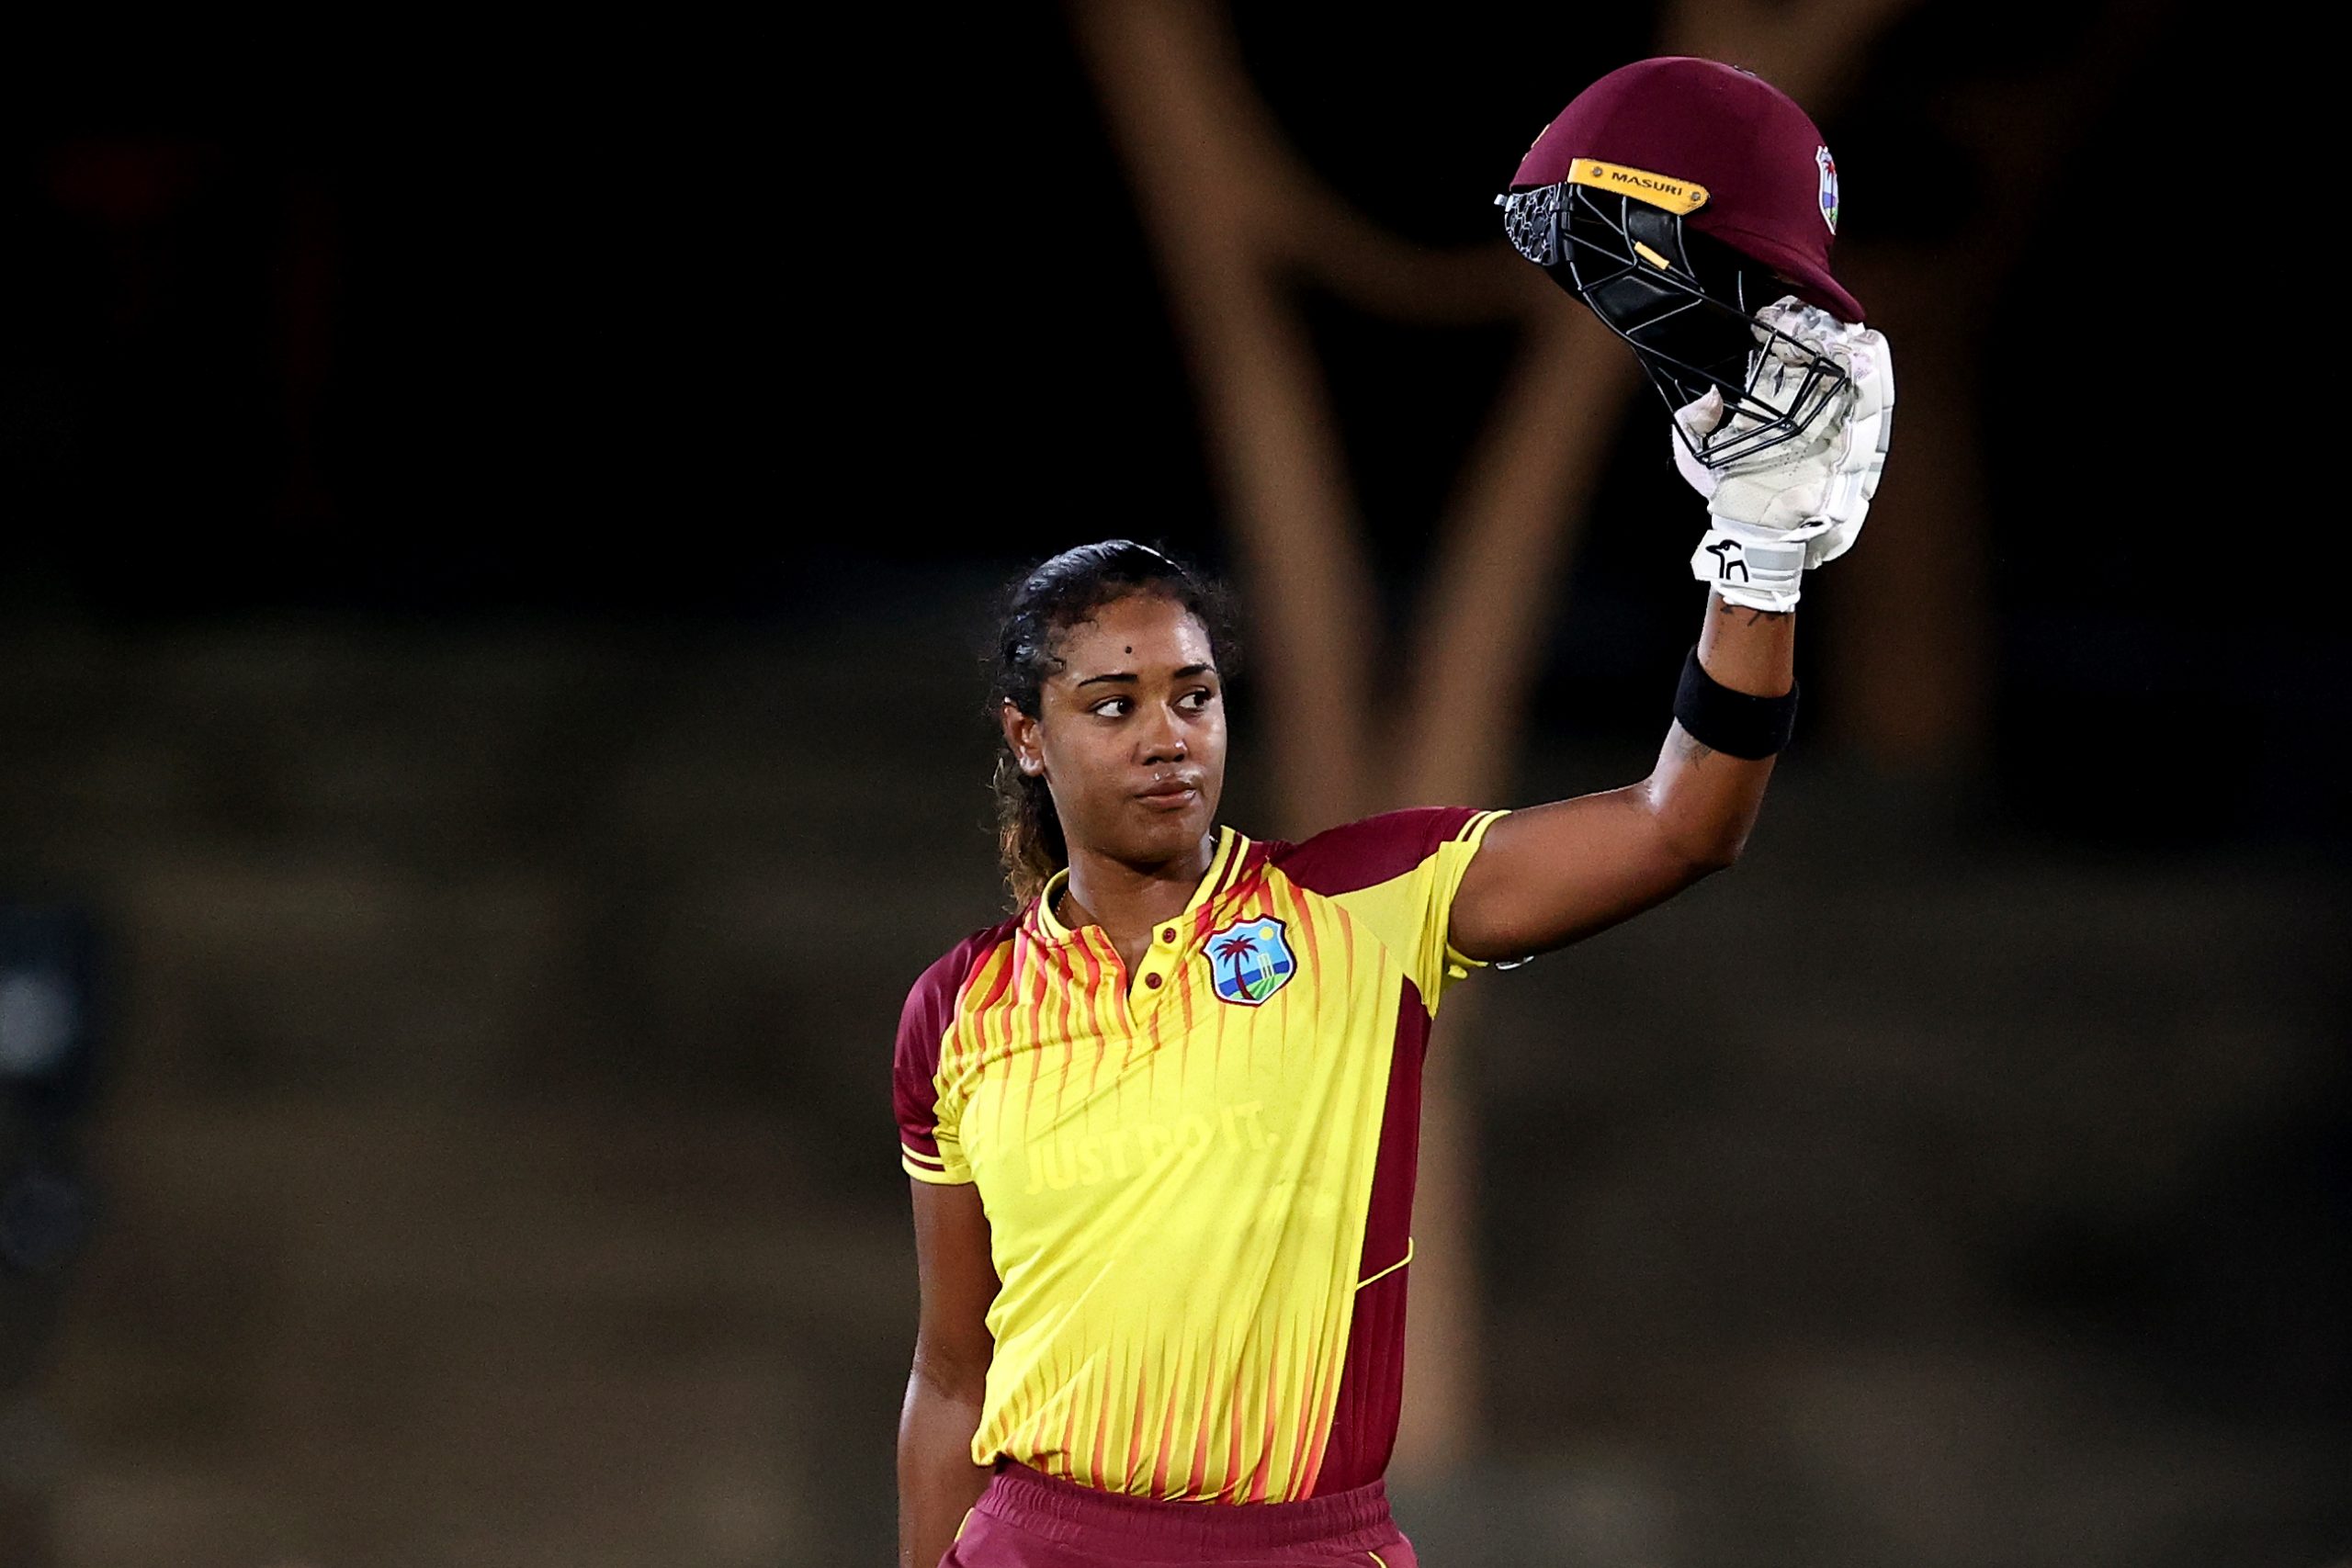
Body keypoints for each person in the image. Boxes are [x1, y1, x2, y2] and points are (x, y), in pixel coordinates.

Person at [896, 56, 1894, 1568]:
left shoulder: (1367, 905)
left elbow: (1688, 824)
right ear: (1026, 738)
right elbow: (949, 1379)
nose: (1168, 736)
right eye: (1113, 706)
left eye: (1197, 694)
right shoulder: (957, 1014)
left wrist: (1756, 559)